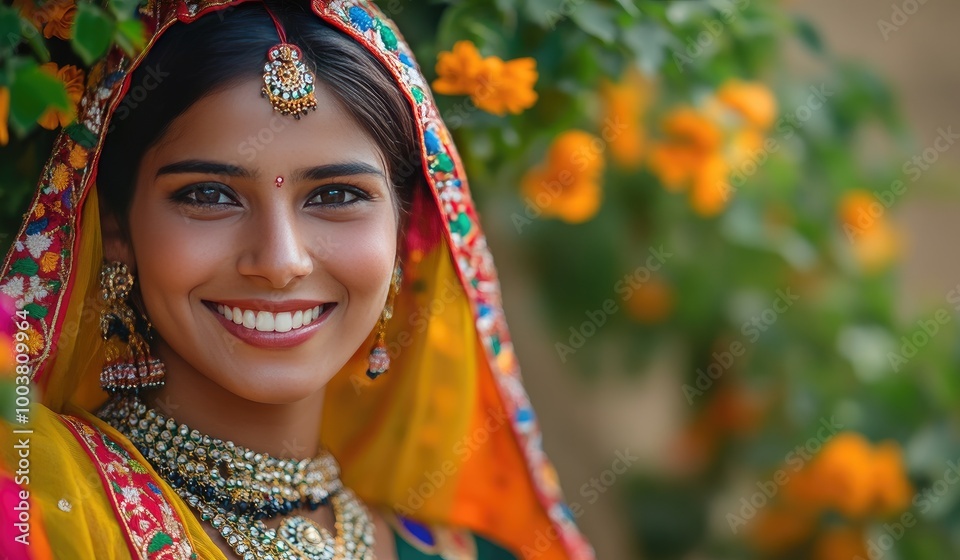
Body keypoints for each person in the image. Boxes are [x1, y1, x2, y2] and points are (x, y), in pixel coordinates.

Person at [0, 1, 594, 558]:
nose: (281, 261)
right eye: (209, 195)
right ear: (117, 228)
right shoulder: (36, 501)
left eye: (335, 196)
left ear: (404, 230)